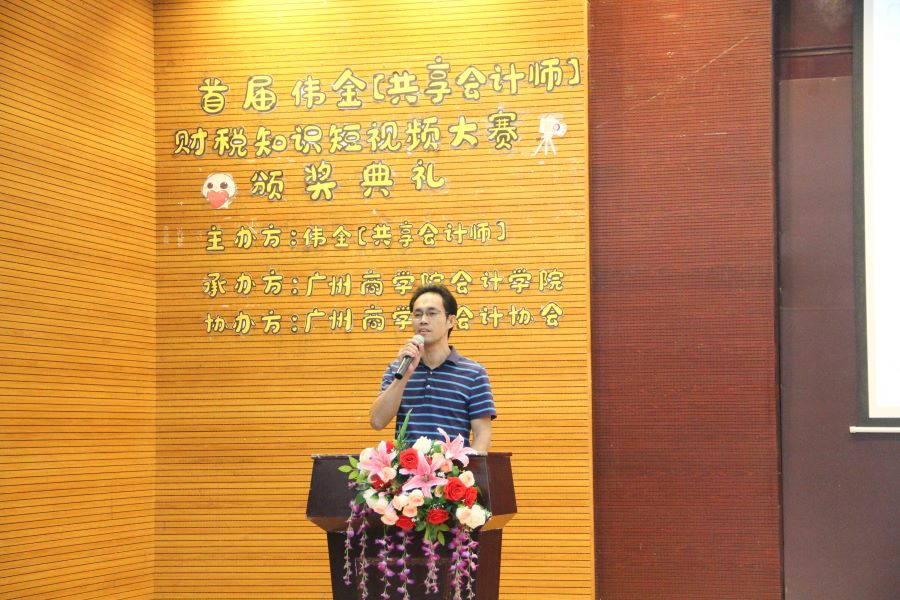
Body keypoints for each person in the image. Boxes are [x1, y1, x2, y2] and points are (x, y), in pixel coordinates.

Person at [369, 284, 496, 452]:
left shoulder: (474, 374)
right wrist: (405, 375)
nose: (423, 320)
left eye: (431, 313)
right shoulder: (397, 369)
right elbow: (377, 421)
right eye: (417, 314)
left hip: (452, 468)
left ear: (450, 321)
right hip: (407, 468)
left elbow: (482, 436)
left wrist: (466, 468)